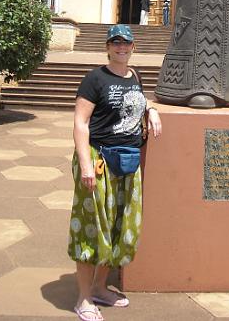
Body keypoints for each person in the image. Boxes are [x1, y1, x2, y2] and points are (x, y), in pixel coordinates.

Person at [68, 24, 162, 321]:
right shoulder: (95, 79)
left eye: (126, 43)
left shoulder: (135, 76)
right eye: (116, 43)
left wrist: (152, 109)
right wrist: (85, 165)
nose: (122, 48)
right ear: (108, 47)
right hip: (99, 160)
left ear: (133, 47)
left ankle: (99, 287)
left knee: (119, 226)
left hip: (128, 162)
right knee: (92, 228)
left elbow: (136, 102)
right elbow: (81, 123)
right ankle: (83, 299)